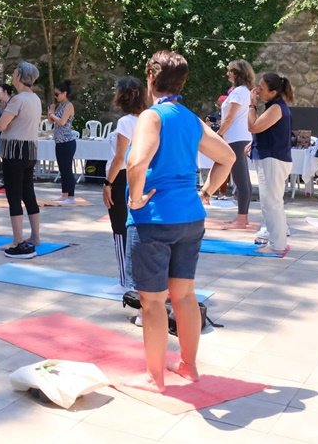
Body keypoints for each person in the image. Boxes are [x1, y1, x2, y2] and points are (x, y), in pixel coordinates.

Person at [125, 50, 234, 393]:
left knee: (154, 302)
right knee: (185, 297)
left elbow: (136, 162)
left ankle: (155, 376)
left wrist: (136, 197)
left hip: (155, 219)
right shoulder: (190, 118)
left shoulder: (151, 117)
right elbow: (227, 157)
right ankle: (189, 367)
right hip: (190, 217)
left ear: (150, 79)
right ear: (182, 82)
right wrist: (207, 190)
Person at [102, 76, 147, 294]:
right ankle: (135, 280)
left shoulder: (126, 122)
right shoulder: (150, 118)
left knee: (120, 229)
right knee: (137, 230)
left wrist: (107, 183)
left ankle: (125, 281)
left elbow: (120, 157)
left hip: (122, 178)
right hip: (142, 177)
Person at [0, 62, 42, 258]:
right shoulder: (35, 98)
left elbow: (0, 125)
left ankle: (17, 240)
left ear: (20, 76)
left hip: (15, 151)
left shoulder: (17, 99)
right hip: (29, 151)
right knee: (28, 193)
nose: (12, 76)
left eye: (14, 73)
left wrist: (4, 118)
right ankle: (35, 236)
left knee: (14, 195)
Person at [247, 72, 293, 255]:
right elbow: (267, 131)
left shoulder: (276, 108)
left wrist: (251, 105)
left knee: (271, 203)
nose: (257, 90)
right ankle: (276, 240)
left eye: (262, 88)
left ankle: (277, 244)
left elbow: (253, 126)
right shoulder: (274, 107)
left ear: (273, 92)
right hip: (272, 158)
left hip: (273, 160)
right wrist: (254, 143)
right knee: (272, 202)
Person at [216, 60, 257, 230]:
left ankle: (242, 218)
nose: (227, 74)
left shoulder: (240, 92)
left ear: (236, 73)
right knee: (241, 177)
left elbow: (229, 117)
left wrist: (218, 134)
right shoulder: (240, 91)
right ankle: (241, 217)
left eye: (229, 71)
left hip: (237, 138)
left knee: (240, 178)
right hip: (237, 137)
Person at [47, 80, 77, 203]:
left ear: (64, 93)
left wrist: (51, 114)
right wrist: (51, 113)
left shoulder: (69, 106)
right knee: (62, 169)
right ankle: (64, 195)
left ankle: (71, 196)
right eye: (54, 94)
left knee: (67, 169)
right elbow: (51, 122)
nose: (56, 96)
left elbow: (62, 122)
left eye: (57, 94)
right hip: (59, 142)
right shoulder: (60, 105)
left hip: (67, 142)